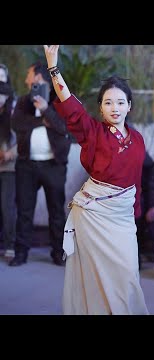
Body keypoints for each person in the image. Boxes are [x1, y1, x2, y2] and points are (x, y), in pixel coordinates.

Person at [43, 45, 148, 315]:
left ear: (129, 106)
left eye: (121, 102)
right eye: (108, 102)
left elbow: (136, 182)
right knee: (94, 277)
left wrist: (135, 213)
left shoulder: (137, 140)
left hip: (122, 218)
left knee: (127, 274)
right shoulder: (92, 132)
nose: (115, 107)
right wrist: (54, 67)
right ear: (100, 108)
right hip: (92, 216)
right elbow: (69, 106)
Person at [9, 60, 72, 267]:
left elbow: (64, 127)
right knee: (24, 210)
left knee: (56, 211)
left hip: (53, 165)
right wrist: (41, 120)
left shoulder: (60, 101)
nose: (27, 79)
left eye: (29, 74)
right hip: (27, 164)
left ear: (38, 77)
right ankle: (21, 253)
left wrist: (46, 110)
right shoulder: (23, 101)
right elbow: (17, 124)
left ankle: (57, 253)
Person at [0, 81, 17, 260]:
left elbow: (23, 140)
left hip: (9, 168)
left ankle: (10, 244)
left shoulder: (13, 115)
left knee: (7, 207)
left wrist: (11, 153)